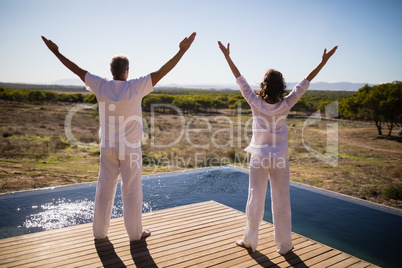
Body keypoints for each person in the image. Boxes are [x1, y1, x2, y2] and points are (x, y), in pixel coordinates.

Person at [42, 32, 196, 241]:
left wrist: (56, 53)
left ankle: (99, 233)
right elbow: (161, 72)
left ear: (111, 71)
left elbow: (77, 70)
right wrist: (181, 51)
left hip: (107, 147)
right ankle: (135, 234)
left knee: (104, 191)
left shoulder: (101, 85)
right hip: (130, 148)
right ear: (127, 71)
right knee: (131, 192)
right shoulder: (135, 86)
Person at [218, 41, 337, 254]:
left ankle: (250, 241)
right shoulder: (286, 104)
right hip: (279, 158)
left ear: (264, 85)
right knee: (282, 201)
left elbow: (240, 80)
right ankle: (284, 246)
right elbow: (305, 83)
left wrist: (227, 56)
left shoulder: (255, 101)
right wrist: (323, 62)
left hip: (259, 157)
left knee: (255, 198)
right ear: (281, 86)